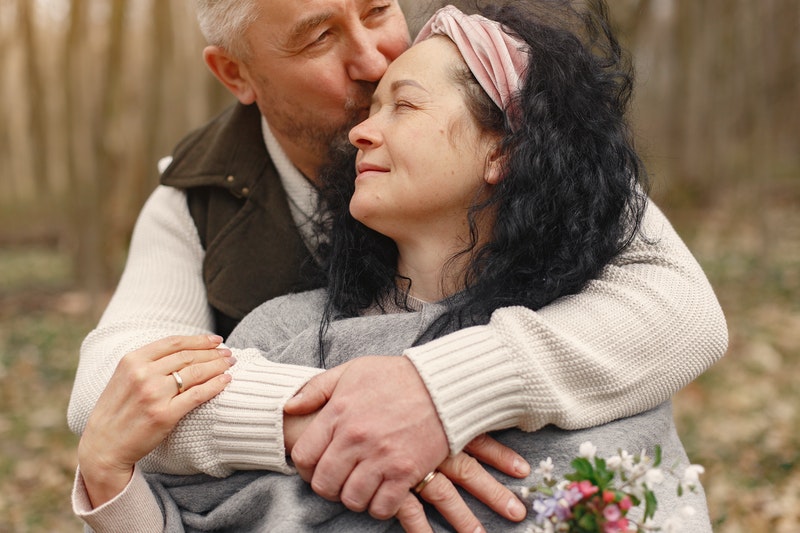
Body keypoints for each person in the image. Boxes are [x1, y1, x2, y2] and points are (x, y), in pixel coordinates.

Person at [68, 0, 726, 526]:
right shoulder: (198, 197)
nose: (373, 55)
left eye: (379, 9)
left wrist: (437, 389)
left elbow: (682, 308)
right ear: (237, 74)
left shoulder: (517, 130)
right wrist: (309, 417)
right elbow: (113, 388)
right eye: (319, 36)